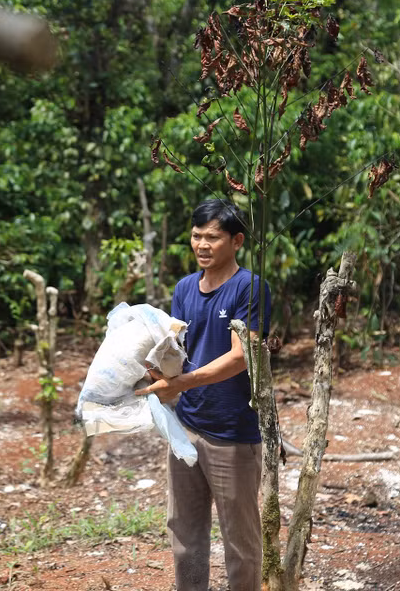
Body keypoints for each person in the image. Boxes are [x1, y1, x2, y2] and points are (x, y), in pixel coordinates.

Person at [135, 198, 271, 591]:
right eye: (196, 236)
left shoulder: (248, 287)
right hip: (187, 429)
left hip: (233, 433)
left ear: (237, 240)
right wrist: (155, 370)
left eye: (213, 237)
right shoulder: (183, 289)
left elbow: (240, 358)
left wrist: (180, 384)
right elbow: (182, 354)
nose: (202, 245)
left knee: (240, 544)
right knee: (185, 537)